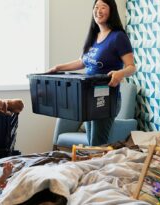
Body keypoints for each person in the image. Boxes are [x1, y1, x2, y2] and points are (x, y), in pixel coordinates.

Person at [47, 0, 136, 146]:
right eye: (95, 7)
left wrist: (120, 73)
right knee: (91, 144)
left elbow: (132, 67)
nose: (98, 10)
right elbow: (82, 62)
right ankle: (92, 167)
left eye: (103, 7)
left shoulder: (118, 37)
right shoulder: (94, 37)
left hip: (106, 99)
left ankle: (99, 168)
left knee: (97, 144)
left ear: (111, 11)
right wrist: (58, 67)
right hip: (88, 99)